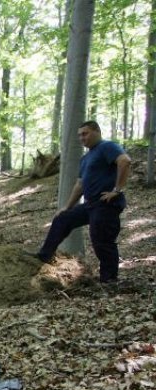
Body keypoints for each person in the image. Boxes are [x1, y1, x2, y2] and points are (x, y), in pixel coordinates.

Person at [32, 120, 132, 283]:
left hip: (105, 204)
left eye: (85, 133)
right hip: (90, 204)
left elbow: (125, 161)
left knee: (101, 240)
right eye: (79, 135)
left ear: (97, 131)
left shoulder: (107, 147)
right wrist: (67, 207)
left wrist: (117, 190)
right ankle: (43, 256)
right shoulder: (86, 158)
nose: (82, 138)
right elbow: (80, 185)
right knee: (62, 219)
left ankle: (109, 280)